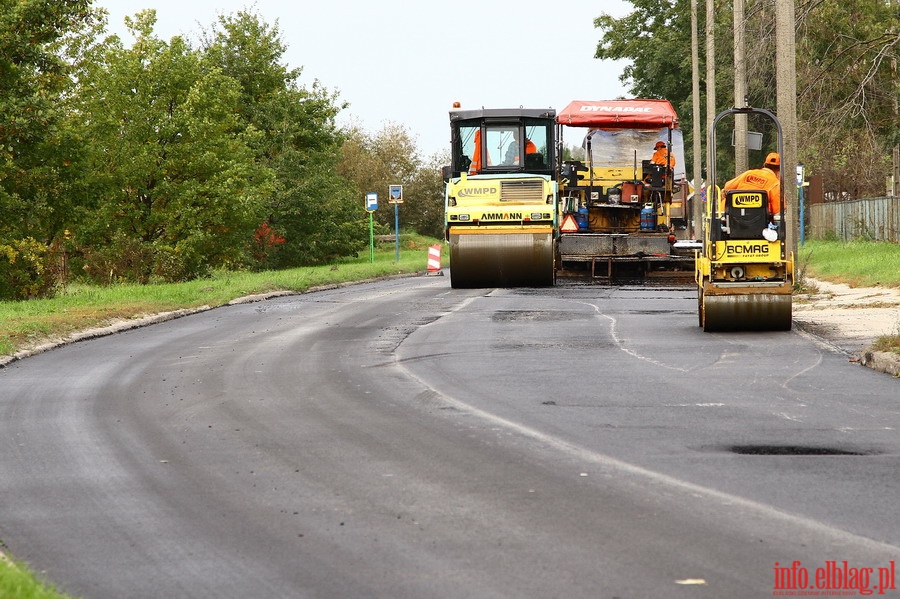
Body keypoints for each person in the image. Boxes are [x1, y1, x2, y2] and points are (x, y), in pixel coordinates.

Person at [723, 152, 781, 217]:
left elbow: (727, 187)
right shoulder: (775, 184)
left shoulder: (749, 173)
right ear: (779, 170)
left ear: (764, 165)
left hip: (735, 221)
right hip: (760, 223)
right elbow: (778, 212)